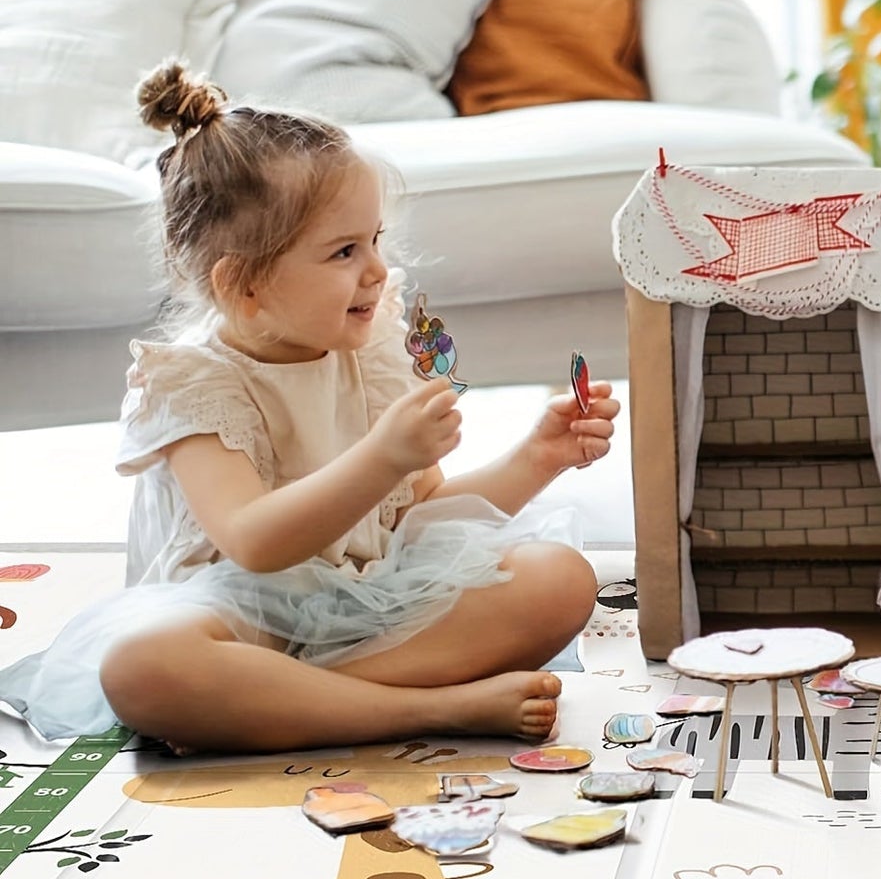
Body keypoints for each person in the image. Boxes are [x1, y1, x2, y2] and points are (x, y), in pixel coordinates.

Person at [0, 64, 618, 754]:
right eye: (344, 251)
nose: (378, 270)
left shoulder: (371, 348)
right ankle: (426, 707)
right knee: (142, 667)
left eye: (376, 239)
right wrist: (382, 456)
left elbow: (417, 522)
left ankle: (277, 700)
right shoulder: (191, 383)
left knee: (559, 578)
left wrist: (537, 457)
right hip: (236, 618)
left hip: (367, 608)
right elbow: (253, 541)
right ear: (246, 286)